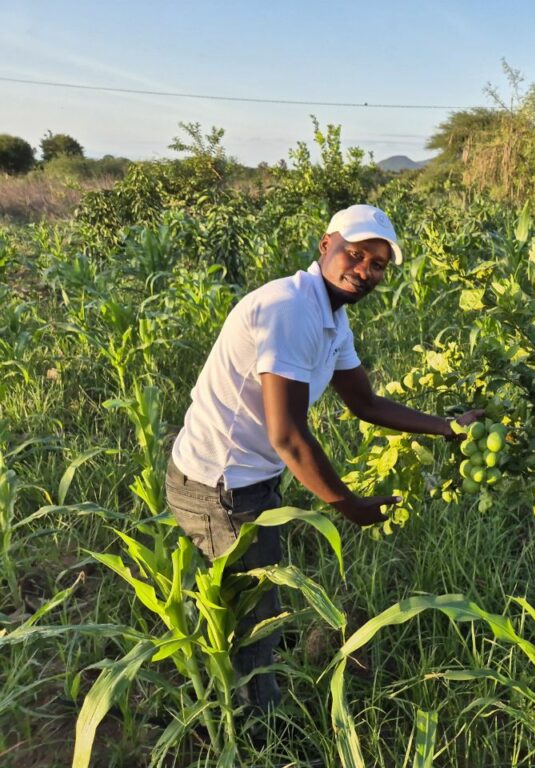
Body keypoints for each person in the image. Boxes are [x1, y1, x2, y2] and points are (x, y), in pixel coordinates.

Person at [164, 204, 480, 712]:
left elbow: (365, 403)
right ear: (325, 245)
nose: (364, 271)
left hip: (251, 479)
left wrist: (448, 426)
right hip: (219, 487)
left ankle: (249, 692)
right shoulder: (289, 308)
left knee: (254, 598)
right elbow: (289, 436)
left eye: (377, 265)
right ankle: (256, 730)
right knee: (252, 617)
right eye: (355, 255)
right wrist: (348, 506)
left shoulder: (331, 317)